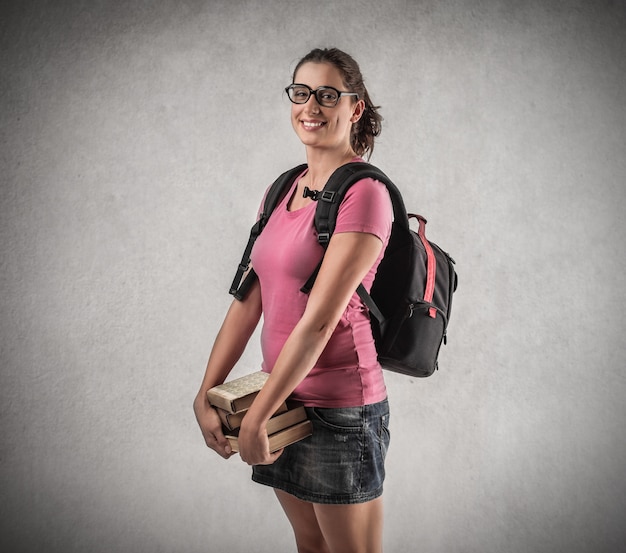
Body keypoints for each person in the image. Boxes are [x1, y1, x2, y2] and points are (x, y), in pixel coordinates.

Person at [194, 47, 392, 553]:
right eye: (301, 92)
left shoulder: (364, 193)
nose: (311, 106)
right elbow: (247, 300)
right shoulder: (284, 188)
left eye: (328, 94)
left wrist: (258, 414)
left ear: (355, 107)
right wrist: (207, 390)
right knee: (310, 544)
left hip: (339, 408)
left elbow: (320, 321)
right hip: (282, 399)